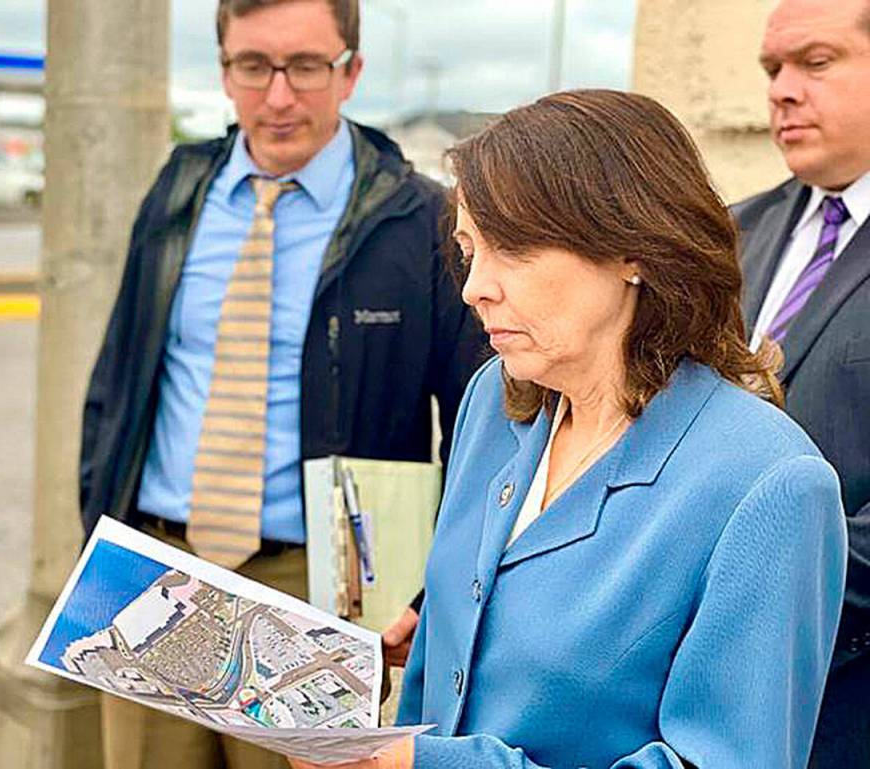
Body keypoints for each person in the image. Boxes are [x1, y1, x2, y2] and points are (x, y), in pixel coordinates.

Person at [290, 89, 847, 769]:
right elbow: (443, 673)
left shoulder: (769, 483)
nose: (474, 288)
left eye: (513, 250)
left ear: (633, 250)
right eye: (470, 251)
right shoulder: (494, 400)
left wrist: (418, 762)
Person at [78, 1, 483, 767]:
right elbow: (117, 378)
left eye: (306, 66)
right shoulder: (176, 193)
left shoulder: (420, 220)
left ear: (351, 72)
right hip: (154, 569)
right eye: (253, 66)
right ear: (224, 70)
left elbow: (477, 427)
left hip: (319, 586)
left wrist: (430, 595)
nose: (279, 96)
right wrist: (97, 525)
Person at [736, 1, 870, 764]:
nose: (782, 89)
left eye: (814, 63)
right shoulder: (729, 231)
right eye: (772, 69)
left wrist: (748, 597)